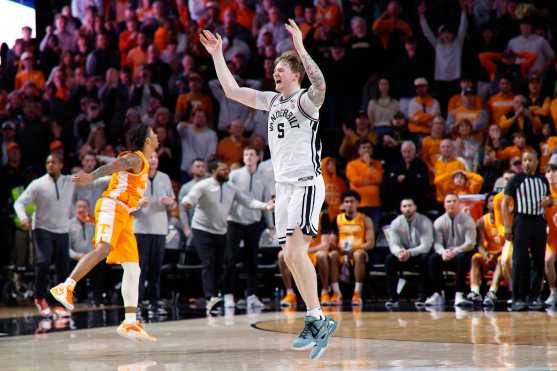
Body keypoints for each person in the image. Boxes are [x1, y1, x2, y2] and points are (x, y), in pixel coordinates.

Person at [200, 20, 337, 359]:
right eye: (274, 70)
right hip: (285, 187)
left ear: (295, 75)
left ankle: (318, 317)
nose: (275, 74)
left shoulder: (306, 102)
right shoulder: (272, 101)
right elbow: (232, 91)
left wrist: (301, 48)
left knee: (296, 250)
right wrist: (218, 55)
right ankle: (315, 317)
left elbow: (321, 83)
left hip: (305, 182)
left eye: (280, 70)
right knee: (289, 255)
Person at [50, 124, 159, 341]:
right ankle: (66, 286)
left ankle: (129, 323)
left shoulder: (143, 162)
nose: (157, 136)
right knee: (102, 249)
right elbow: (118, 163)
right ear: (147, 140)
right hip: (113, 206)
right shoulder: (135, 158)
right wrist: (91, 175)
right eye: (153, 134)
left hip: (124, 214)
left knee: (133, 268)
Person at [182, 160, 273, 311]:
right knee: (208, 263)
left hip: (221, 231)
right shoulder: (203, 185)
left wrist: (265, 205)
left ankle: (216, 294)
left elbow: (247, 201)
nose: (226, 172)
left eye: (227, 170)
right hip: (202, 229)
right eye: (222, 170)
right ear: (213, 172)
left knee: (219, 265)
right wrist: (187, 202)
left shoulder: (231, 187)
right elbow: (189, 198)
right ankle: (210, 297)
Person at [14, 154, 75, 317]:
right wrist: (23, 217)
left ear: (61, 165)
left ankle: (58, 303)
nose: (50, 165)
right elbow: (19, 202)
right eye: (47, 162)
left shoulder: (69, 181)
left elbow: (91, 181)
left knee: (63, 266)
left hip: (62, 229)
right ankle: (40, 297)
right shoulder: (38, 184)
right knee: (43, 262)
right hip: (42, 228)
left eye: (53, 162)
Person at [225, 146, 273, 309]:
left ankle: (252, 295)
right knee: (231, 259)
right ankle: (229, 295)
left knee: (252, 260)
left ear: (258, 157)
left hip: (254, 223)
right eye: (246, 154)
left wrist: (271, 226)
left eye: (251, 154)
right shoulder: (235, 175)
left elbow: (267, 202)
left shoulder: (265, 177)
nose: (248, 157)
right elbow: (227, 198)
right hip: (234, 221)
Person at [503, 151, 551, 311]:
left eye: (530, 160)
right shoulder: (516, 179)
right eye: (524, 160)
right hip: (521, 221)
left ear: (537, 162)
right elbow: (504, 203)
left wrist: (548, 201)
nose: (527, 163)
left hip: (538, 221)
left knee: (538, 260)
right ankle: (517, 297)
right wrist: (507, 226)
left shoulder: (543, 179)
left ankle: (534, 297)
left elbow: (548, 200)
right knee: (520, 260)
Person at [133, 153, 176, 316]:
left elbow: (173, 203)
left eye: (155, 158)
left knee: (156, 269)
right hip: (140, 230)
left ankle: (153, 302)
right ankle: (137, 303)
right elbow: (127, 207)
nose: (152, 161)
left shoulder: (164, 178)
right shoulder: (135, 178)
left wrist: (171, 202)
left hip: (159, 230)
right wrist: (138, 204)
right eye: (149, 158)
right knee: (140, 269)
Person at [425, 193, 476, 307]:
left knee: (462, 258)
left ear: (459, 204)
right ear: (444, 205)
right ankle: (438, 294)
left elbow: (470, 243)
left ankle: (459, 294)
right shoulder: (438, 221)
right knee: (432, 259)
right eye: (448, 201)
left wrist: (455, 251)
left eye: (454, 201)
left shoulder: (468, 220)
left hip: (464, 252)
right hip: (447, 254)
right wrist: (443, 252)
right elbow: (437, 243)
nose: (451, 203)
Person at [328, 190, 375, 306]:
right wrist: (334, 246)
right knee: (332, 254)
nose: (349, 204)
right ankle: (336, 292)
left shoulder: (365, 219)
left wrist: (354, 249)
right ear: (343, 204)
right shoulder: (337, 219)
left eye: (352, 202)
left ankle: (357, 293)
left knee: (358, 254)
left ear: (357, 203)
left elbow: (370, 243)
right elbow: (332, 240)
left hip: (358, 250)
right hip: (341, 251)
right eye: (346, 202)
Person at [279, 211, 334, 307]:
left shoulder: (322, 216)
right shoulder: (293, 215)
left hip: (315, 251)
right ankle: (290, 293)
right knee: (282, 255)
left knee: (321, 255)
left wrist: (306, 250)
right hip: (300, 251)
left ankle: (325, 292)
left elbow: (325, 245)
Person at [385, 198, 433, 308]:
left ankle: (423, 296)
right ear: (401, 209)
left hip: (419, 254)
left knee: (426, 258)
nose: (407, 209)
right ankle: (393, 297)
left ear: (415, 207)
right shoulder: (396, 222)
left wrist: (409, 253)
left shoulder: (424, 221)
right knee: (389, 260)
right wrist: (399, 252)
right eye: (405, 206)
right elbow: (393, 244)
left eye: (410, 206)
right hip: (403, 255)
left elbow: (426, 246)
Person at [466, 193, 505, 305]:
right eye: (491, 201)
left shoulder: (506, 219)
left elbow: (508, 243)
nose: (493, 203)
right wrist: (485, 254)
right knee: (475, 258)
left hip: (502, 253)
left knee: (500, 260)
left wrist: (496, 254)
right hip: (488, 254)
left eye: (496, 201)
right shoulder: (482, 221)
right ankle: (475, 292)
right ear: (487, 205)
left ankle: (492, 292)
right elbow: (479, 243)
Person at [345, 139, 383, 230]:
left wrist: (369, 165)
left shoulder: (377, 164)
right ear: (359, 151)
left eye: (369, 147)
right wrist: (372, 181)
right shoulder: (352, 164)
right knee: (358, 230)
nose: (367, 150)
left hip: (374, 204)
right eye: (364, 147)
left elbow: (379, 179)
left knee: (374, 230)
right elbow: (355, 181)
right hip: (358, 204)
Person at [178, 159, 207, 238]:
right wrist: (186, 228)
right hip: (193, 227)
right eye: (198, 166)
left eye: (203, 166)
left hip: (209, 227)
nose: (201, 169)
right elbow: (182, 210)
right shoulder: (186, 188)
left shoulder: (212, 186)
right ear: (192, 169)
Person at [544, 157, 557, 306]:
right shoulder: (544, 192)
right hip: (552, 236)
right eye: (548, 171)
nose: (551, 174)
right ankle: (553, 292)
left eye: (554, 171)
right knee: (547, 260)